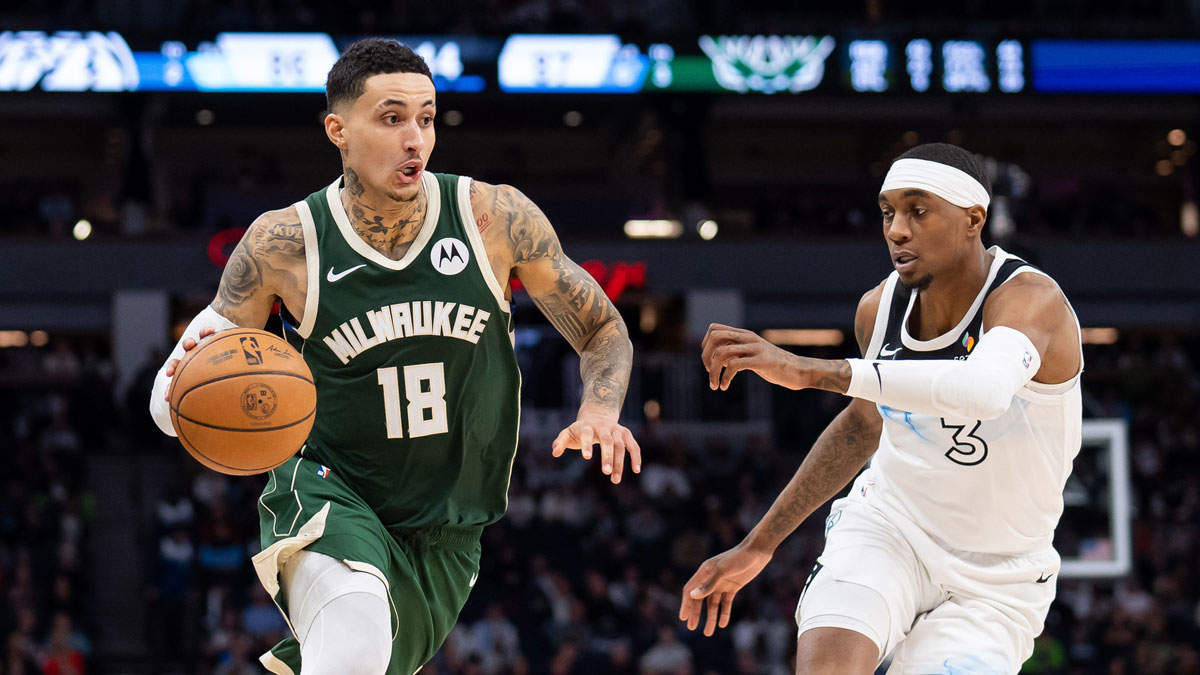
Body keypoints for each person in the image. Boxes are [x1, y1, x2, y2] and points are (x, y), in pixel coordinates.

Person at [147, 38, 640, 675]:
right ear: (338, 130)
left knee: (361, 660)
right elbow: (172, 397)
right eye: (391, 117)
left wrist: (601, 408)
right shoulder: (284, 242)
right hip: (331, 489)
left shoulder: (494, 217)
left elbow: (603, 328)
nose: (415, 138)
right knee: (353, 638)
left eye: (427, 118)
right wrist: (180, 393)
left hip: (447, 526)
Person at [680, 143, 1083, 674]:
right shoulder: (879, 307)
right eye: (888, 212)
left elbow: (983, 390)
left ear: (973, 218)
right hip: (887, 530)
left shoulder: (1030, 299)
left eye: (918, 211)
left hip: (995, 581)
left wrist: (811, 371)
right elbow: (862, 426)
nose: (896, 230)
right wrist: (761, 544)